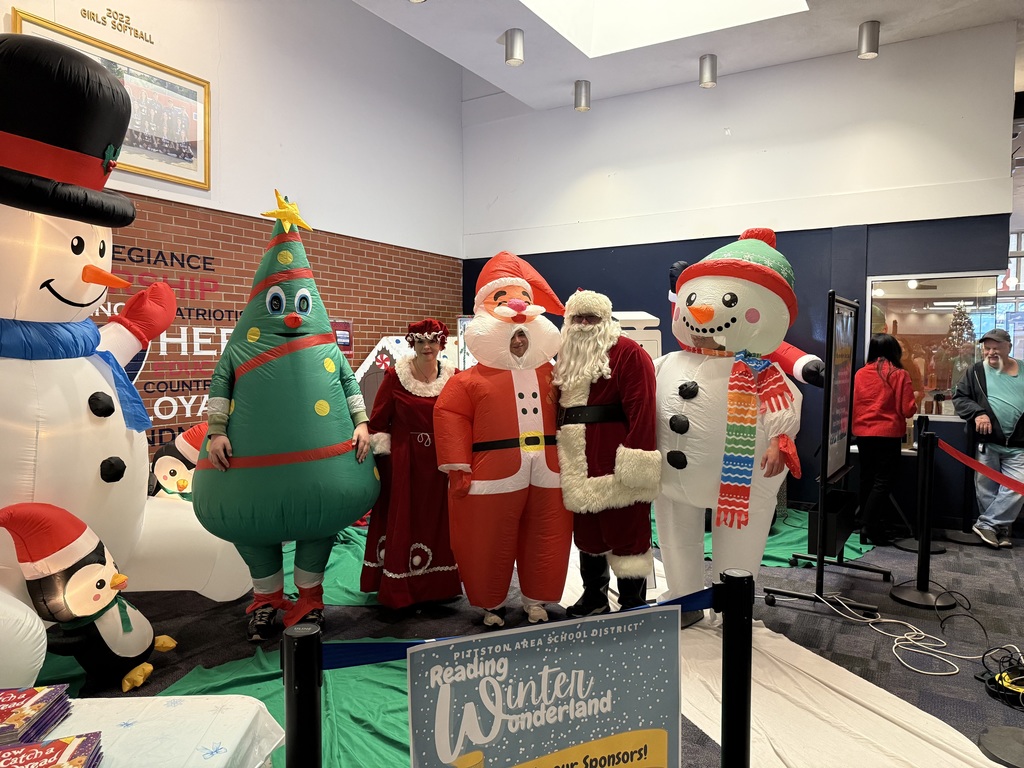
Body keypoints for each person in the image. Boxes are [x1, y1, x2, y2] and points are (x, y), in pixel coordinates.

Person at [434, 251, 572, 628]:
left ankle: (536, 600)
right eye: (513, 337)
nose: (519, 342)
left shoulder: (554, 375)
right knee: (487, 540)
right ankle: (490, 602)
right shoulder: (467, 381)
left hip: (549, 471)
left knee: (547, 537)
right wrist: (458, 465)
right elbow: (450, 417)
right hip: (491, 473)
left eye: (524, 336)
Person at [553, 290, 661, 616]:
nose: (585, 325)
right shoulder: (564, 356)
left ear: (606, 320)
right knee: (588, 534)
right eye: (578, 318)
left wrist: (635, 459)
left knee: (628, 532)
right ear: (568, 322)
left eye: (592, 318)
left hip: (616, 459)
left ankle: (632, 603)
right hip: (577, 461)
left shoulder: (628, 353)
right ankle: (594, 597)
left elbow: (642, 409)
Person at [360, 319, 461, 609]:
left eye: (432, 341)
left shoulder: (454, 377)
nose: (426, 347)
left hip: (439, 463)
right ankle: (399, 588)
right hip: (404, 462)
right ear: (412, 344)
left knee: (438, 519)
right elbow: (378, 420)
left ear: (442, 343)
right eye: (420, 342)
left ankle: (438, 586)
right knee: (404, 519)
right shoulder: (396, 376)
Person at [952, 328, 1024, 549]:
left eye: (997, 348)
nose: (991, 352)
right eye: (987, 348)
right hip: (987, 442)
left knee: (1018, 486)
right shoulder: (975, 371)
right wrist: (978, 413)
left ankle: (986, 524)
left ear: (1009, 347)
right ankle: (998, 531)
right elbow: (960, 398)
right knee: (986, 490)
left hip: (1019, 444)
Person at [851, 334, 917, 546]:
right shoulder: (899, 374)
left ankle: (866, 523)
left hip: (862, 433)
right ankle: (870, 526)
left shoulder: (860, 373)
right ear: (894, 351)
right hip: (888, 435)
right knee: (883, 481)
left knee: (867, 478)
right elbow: (908, 410)